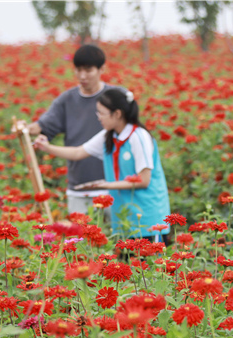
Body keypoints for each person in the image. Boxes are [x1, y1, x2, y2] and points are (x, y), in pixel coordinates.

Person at [34, 87, 171, 242]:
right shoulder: (109, 136)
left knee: (149, 264)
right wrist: (46, 147)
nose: (98, 117)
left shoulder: (138, 136)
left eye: (101, 113)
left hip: (147, 218)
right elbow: (78, 153)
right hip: (124, 218)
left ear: (117, 114)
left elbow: (144, 180)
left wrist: (104, 185)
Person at [16, 44, 115, 215]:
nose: (82, 76)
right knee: (79, 239)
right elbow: (43, 126)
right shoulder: (67, 100)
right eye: (78, 70)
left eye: (88, 70)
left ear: (102, 69)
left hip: (113, 186)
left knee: (118, 239)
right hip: (79, 187)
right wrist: (24, 127)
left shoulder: (116, 97)